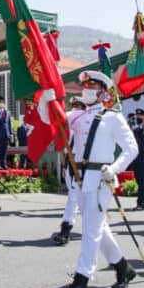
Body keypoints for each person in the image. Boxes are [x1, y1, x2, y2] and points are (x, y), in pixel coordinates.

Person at [56, 71, 138, 288]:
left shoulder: (113, 117)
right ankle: (123, 267)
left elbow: (131, 148)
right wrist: (45, 100)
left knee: (90, 231)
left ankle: (80, 283)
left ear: (103, 91)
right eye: (84, 86)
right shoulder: (77, 116)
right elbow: (54, 119)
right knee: (98, 227)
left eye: (91, 86)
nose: (86, 89)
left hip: (101, 179)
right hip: (80, 179)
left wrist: (115, 167)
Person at [53, 96, 86, 246]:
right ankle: (93, 226)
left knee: (74, 196)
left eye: (76, 106)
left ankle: (66, 229)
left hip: (82, 164)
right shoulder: (70, 119)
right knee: (78, 198)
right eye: (73, 106)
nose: (74, 109)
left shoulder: (84, 121)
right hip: (70, 162)